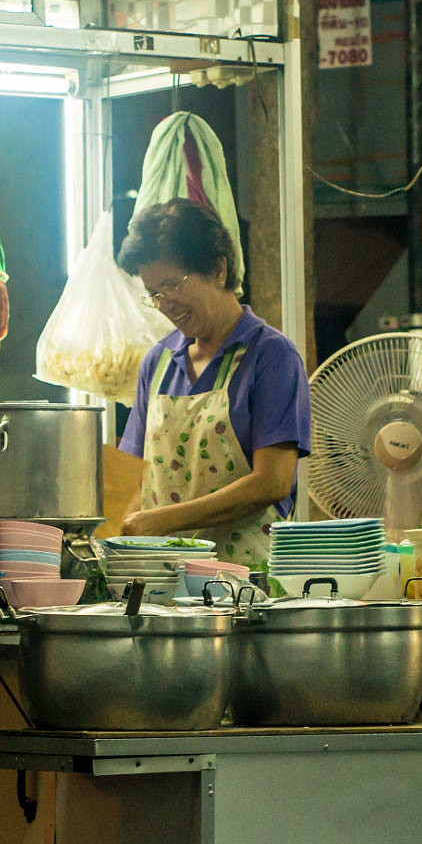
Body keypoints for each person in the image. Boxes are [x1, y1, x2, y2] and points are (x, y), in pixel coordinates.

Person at [115, 198, 311, 570]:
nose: (163, 303)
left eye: (171, 285)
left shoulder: (271, 357)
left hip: (244, 589)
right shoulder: (157, 364)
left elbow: (272, 483)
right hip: (162, 584)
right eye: (153, 292)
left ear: (218, 270)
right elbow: (133, 478)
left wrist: (163, 521)